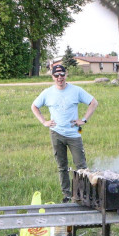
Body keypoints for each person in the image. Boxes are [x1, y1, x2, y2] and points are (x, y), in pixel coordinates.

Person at [31, 64, 99, 202]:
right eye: (56, 75)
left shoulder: (76, 90)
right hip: (56, 134)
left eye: (62, 75)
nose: (59, 78)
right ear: (52, 77)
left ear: (66, 75)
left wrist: (84, 120)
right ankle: (67, 195)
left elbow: (93, 102)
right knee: (62, 166)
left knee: (81, 166)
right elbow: (34, 106)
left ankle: (83, 194)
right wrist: (44, 122)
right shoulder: (47, 93)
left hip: (74, 134)